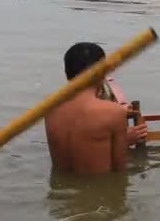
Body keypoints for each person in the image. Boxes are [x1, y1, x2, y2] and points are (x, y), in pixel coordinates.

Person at [45, 42, 140, 174]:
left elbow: (79, 131)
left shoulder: (49, 107)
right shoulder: (113, 113)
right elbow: (119, 171)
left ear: (67, 70)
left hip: (59, 192)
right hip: (102, 191)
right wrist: (125, 140)